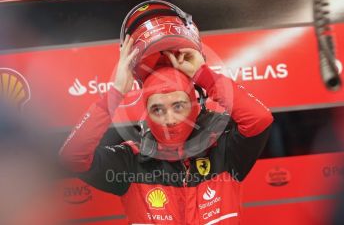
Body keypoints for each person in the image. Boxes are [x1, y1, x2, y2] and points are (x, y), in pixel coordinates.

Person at [59, 34, 273, 224]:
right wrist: (114, 94)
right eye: (157, 109)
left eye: (178, 106)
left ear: (194, 106)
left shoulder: (224, 150)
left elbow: (259, 119)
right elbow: (72, 157)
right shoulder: (131, 161)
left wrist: (203, 75)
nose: (169, 119)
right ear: (147, 114)